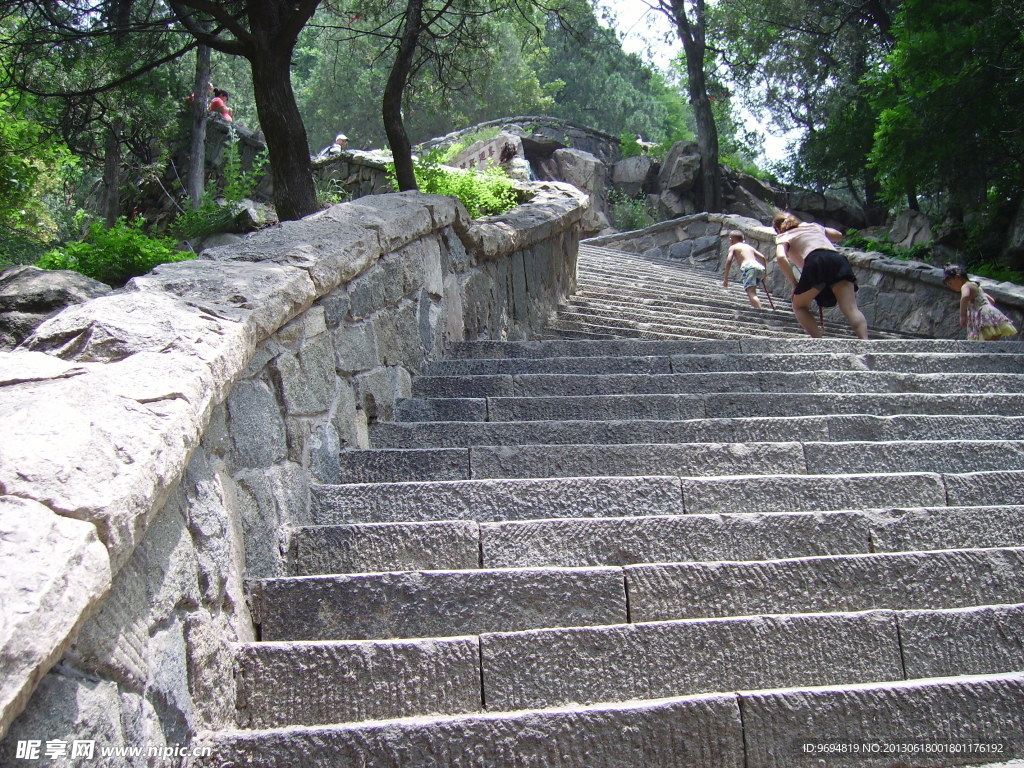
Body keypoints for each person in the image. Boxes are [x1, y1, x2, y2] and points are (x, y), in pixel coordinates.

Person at [773, 211, 868, 339]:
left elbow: (780, 257)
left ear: (778, 229)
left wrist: (794, 284)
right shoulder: (813, 226)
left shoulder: (783, 236)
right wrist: (817, 228)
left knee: (799, 306)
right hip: (837, 259)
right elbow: (838, 235)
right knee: (851, 308)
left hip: (815, 261)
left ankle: (819, 339)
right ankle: (865, 342)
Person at [942, 264, 1018, 340]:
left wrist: (963, 315)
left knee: (985, 337)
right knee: (992, 336)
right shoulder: (976, 286)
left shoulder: (965, 286)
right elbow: (991, 300)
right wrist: (988, 308)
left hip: (982, 315)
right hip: (989, 313)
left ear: (958, 277)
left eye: (950, 283)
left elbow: (965, 297)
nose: (950, 286)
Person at [722, 230, 768, 309]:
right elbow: (763, 258)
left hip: (749, 267)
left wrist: (725, 277)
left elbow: (729, 260)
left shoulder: (733, 247)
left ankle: (760, 311)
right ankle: (756, 307)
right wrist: (765, 273)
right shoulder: (749, 247)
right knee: (752, 290)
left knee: (751, 292)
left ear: (731, 240)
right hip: (759, 267)